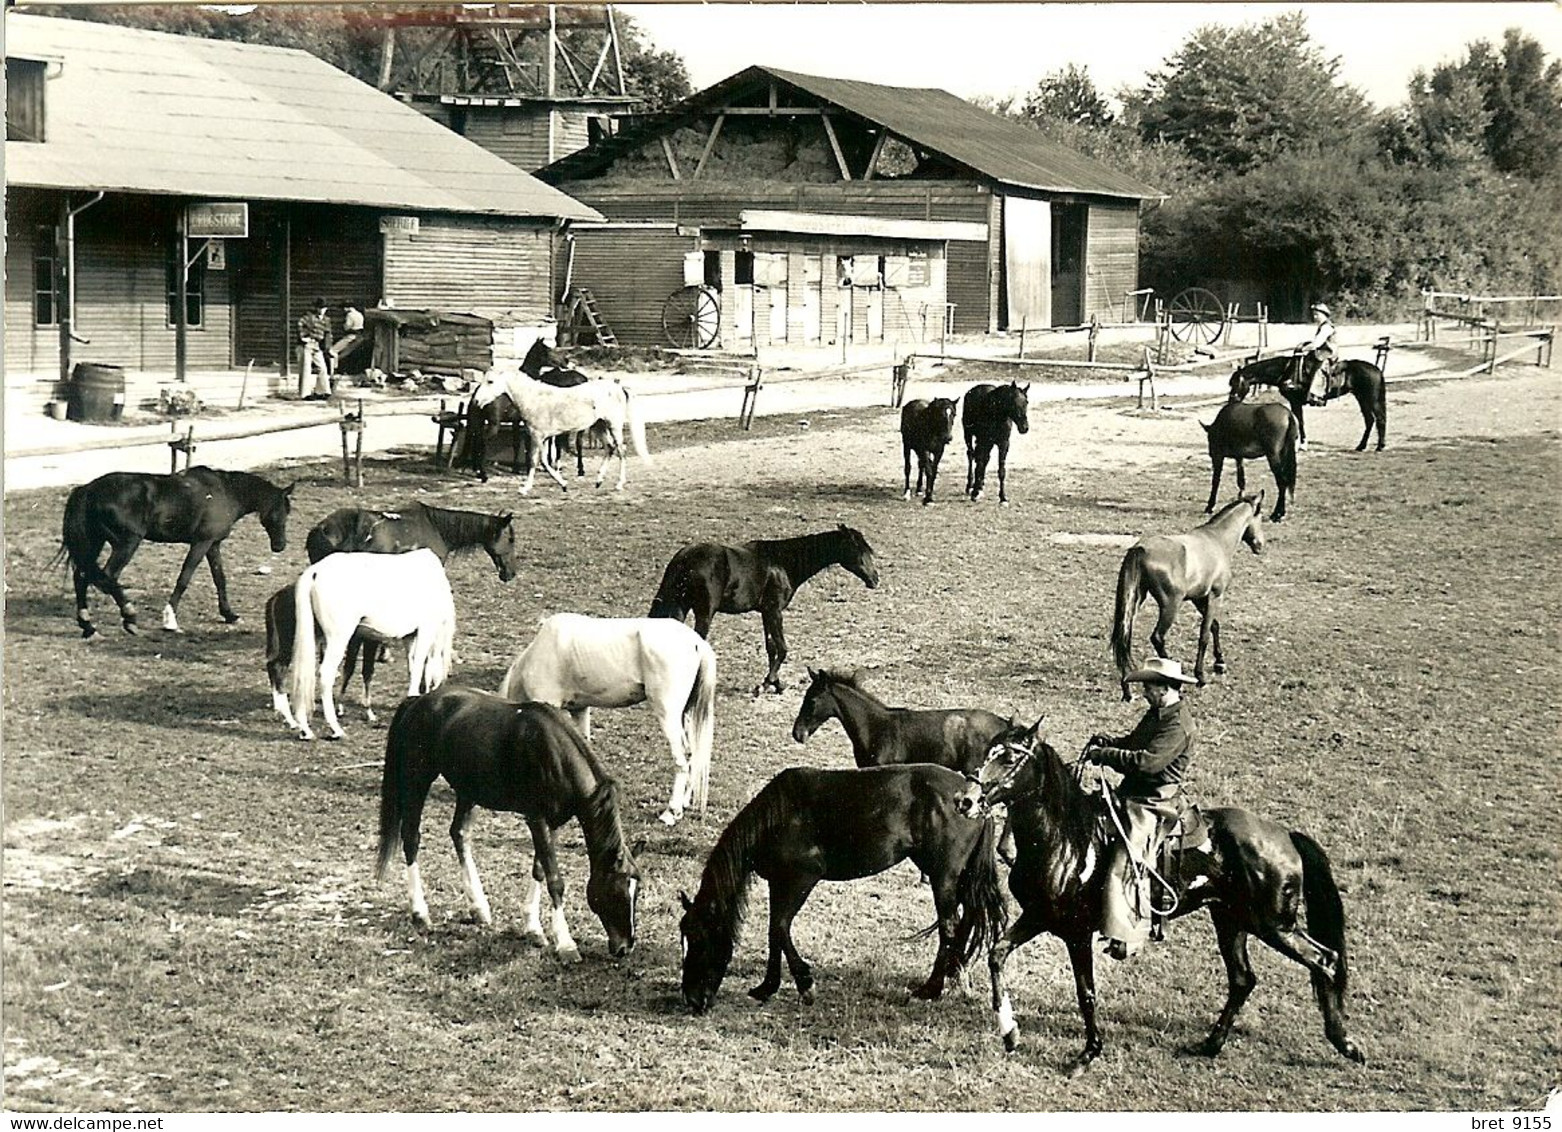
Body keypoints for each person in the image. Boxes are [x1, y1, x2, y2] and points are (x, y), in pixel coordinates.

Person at [1083, 654, 1198, 961]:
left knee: (1127, 860)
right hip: (1131, 794)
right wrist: (1113, 742)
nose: (1144, 692)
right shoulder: (1157, 714)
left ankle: (1128, 934)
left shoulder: (1179, 724)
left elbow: (1148, 763)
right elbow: (1134, 744)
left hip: (1153, 802)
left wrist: (1107, 755)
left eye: (1148, 687)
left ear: (1164, 688)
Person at [1296, 301, 1337, 407]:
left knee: (1319, 366)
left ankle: (1317, 395)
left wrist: (1304, 348)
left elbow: (1317, 343)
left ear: (1323, 315)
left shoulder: (1327, 327)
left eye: (1317, 314)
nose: (1315, 317)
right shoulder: (1322, 326)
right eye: (1314, 314)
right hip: (1322, 351)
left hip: (1328, 352)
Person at [297, 297, 332, 400]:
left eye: (324, 308)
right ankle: (305, 394)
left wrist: (328, 347)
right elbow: (300, 326)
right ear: (316, 308)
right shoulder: (308, 317)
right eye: (320, 308)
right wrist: (304, 337)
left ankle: (322, 391)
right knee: (306, 368)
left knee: (322, 368)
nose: (322, 310)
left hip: (317, 345)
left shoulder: (326, 320)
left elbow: (328, 334)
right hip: (307, 345)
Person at [329, 301, 368, 375]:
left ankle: (334, 369)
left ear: (347, 308)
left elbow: (347, 327)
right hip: (359, 337)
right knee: (346, 353)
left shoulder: (350, 315)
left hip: (350, 336)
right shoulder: (360, 314)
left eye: (344, 308)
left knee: (332, 351)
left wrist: (342, 326)